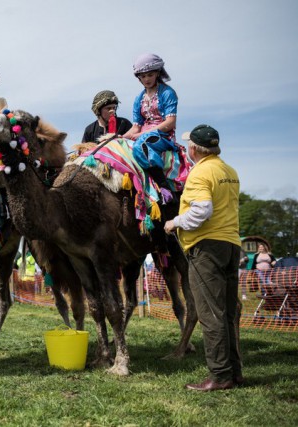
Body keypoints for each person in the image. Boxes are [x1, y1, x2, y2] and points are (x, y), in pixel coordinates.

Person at [164, 124, 243, 391]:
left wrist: (175, 222)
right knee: (228, 312)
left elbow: (202, 211)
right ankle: (235, 372)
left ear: (195, 149)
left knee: (211, 314)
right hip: (231, 244)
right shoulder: (228, 171)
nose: (187, 148)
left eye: (189, 145)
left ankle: (220, 376)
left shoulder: (200, 173)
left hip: (206, 248)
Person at [124, 53, 179, 202]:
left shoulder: (167, 93)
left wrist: (144, 133)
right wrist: (119, 138)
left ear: (158, 73)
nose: (146, 79)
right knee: (119, 145)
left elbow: (170, 123)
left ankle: (164, 186)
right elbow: (136, 128)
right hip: (142, 135)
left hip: (163, 136)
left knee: (141, 145)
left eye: (150, 75)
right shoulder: (138, 98)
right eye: (142, 76)